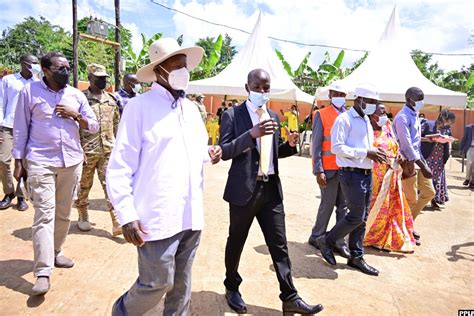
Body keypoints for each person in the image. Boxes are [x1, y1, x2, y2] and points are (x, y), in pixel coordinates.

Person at [106, 38, 222, 316]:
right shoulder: (139, 108)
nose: (183, 70)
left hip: (190, 214)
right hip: (156, 216)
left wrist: (209, 153)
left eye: (185, 66)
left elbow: (191, 150)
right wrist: (126, 214)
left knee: (182, 284)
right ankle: (121, 312)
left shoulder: (192, 110)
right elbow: (120, 165)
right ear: (159, 70)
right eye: (176, 66)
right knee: (156, 283)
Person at [219, 68, 323, 315]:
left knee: (279, 245)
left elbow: (275, 153)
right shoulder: (232, 115)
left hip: (270, 191)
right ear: (247, 88)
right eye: (257, 87)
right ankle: (232, 287)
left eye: (266, 88)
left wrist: (288, 145)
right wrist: (250, 134)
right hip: (244, 191)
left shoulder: (274, 116)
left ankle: (290, 297)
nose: (262, 92)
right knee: (236, 241)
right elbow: (224, 151)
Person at [12, 52, 99, 295]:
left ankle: (57, 251)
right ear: (46, 70)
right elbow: (20, 128)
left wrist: (76, 115)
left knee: (63, 213)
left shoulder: (76, 95)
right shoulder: (29, 93)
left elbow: (94, 126)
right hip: (40, 161)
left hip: (71, 161)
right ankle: (42, 271)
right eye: (60, 68)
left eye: (68, 67)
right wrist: (18, 160)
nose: (66, 71)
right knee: (44, 215)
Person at [316, 83, 388, 276]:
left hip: (366, 173)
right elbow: (337, 147)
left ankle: (356, 256)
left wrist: (374, 152)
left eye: (375, 102)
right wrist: (366, 152)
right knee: (355, 215)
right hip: (351, 173)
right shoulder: (344, 120)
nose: (373, 106)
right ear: (359, 100)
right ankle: (327, 240)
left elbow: (364, 145)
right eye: (370, 102)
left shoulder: (365, 119)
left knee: (362, 218)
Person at [75, 63, 121, 236]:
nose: (103, 81)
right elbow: (74, 126)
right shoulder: (81, 99)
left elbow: (116, 124)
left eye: (104, 78)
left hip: (108, 150)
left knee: (110, 185)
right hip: (86, 151)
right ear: (90, 78)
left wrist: (117, 146)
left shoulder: (111, 99)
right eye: (99, 78)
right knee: (84, 185)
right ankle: (83, 214)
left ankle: (116, 220)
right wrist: (77, 149)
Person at [364, 103, 416, 253]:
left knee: (391, 206)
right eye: (381, 113)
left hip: (392, 173)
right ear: (373, 116)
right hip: (376, 175)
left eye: (385, 113)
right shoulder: (367, 131)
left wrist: (398, 154)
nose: (385, 116)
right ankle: (372, 237)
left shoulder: (387, 127)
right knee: (378, 206)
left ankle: (386, 238)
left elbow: (394, 145)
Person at [308, 81, 350, 259]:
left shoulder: (349, 115)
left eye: (342, 95)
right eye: (336, 94)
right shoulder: (321, 114)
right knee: (327, 204)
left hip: (346, 169)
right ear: (331, 95)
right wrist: (319, 170)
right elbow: (316, 145)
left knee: (344, 207)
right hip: (328, 169)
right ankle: (317, 236)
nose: (339, 97)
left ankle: (338, 241)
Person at [393, 87, 435, 246]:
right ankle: (405, 229)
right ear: (410, 99)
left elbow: (414, 140)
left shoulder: (414, 114)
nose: (422, 102)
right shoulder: (402, 117)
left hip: (419, 159)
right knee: (411, 199)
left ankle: (408, 223)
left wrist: (426, 140)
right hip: (408, 163)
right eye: (420, 98)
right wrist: (423, 166)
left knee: (429, 192)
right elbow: (406, 145)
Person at [0, 54, 40, 211]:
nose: (37, 65)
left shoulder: (37, 83)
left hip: (29, 128)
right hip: (9, 126)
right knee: (3, 161)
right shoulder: (8, 80)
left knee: (24, 164)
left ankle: (21, 195)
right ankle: (9, 193)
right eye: (34, 63)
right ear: (24, 64)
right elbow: (1, 103)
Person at [421, 110, 456, 208]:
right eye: (449, 121)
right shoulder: (428, 124)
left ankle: (434, 200)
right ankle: (422, 199)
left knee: (437, 179)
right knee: (425, 178)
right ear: (444, 118)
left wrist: (448, 140)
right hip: (428, 156)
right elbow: (417, 137)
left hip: (439, 158)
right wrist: (428, 139)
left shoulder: (447, 129)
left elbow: (448, 142)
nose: (450, 124)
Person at [460, 124, 474, 188]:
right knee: (470, 163)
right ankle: (467, 179)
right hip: (470, 148)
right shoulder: (468, 128)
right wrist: (461, 149)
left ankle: (472, 181)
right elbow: (464, 139)